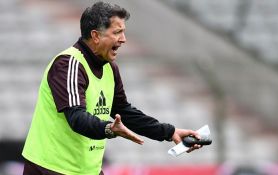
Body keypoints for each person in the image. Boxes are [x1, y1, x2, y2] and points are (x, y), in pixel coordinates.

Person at [22, 2, 202, 175]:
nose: (123, 39)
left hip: (85, 169)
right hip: (52, 168)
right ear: (95, 36)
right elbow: (76, 118)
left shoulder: (109, 67)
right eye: (117, 32)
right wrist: (109, 129)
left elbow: (124, 111)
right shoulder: (68, 64)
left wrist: (169, 132)